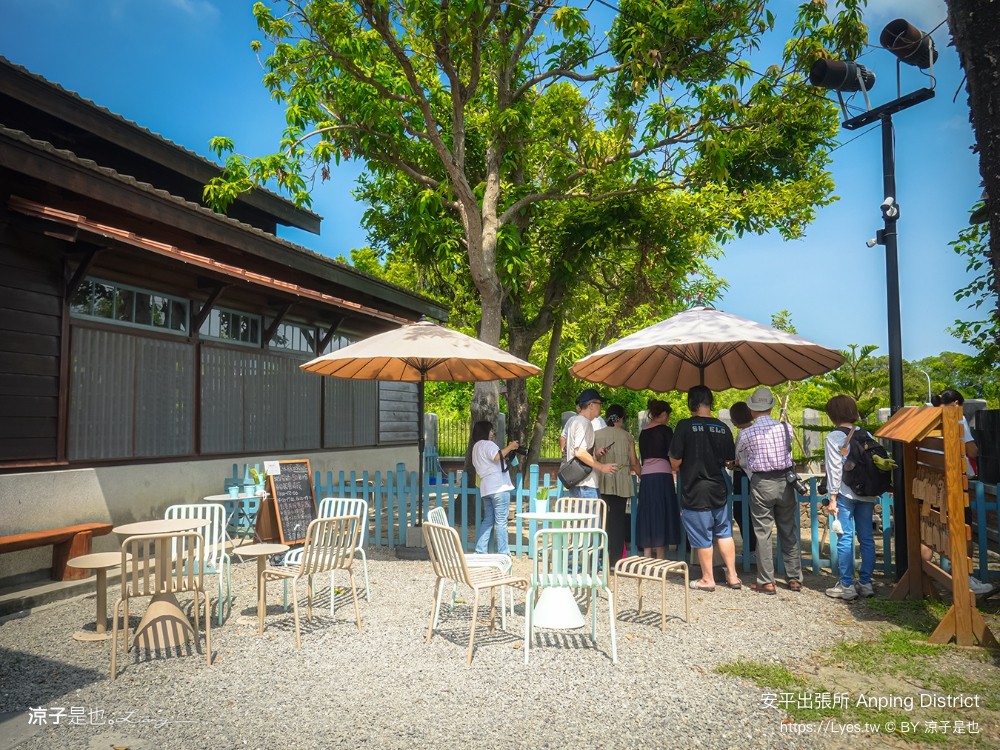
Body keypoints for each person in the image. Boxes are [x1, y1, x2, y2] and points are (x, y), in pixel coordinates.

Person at [669, 385, 741, 591]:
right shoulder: (722, 427)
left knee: (702, 536)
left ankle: (708, 579)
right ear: (710, 403)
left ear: (691, 403)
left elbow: (675, 461)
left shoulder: (684, 426)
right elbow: (730, 459)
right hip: (719, 488)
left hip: (695, 489)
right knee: (725, 532)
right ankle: (733, 576)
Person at [923, 388, 992, 595]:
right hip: (952, 482)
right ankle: (965, 577)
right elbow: (971, 451)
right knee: (963, 531)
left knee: (928, 530)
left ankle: (923, 577)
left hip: (929, 481)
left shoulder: (925, 417)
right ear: (955, 404)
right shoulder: (957, 418)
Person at [736, 387, 803, 595]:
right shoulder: (786, 428)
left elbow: (740, 458)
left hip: (761, 483)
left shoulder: (746, 433)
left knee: (762, 532)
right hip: (785, 480)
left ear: (752, 409)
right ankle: (794, 578)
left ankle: (766, 581)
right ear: (771, 407)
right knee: (788, 530)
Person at [823, 395, 876, 601]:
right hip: (867, 493)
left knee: (844, 537)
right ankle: (866, 583)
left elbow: (835, 469)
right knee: (867, 538)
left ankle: (846, 585)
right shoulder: (867, 434)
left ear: (833, 414)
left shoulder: (834, 437)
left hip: (845, 492)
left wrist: (833, 497)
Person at [595, 404, 642, 568]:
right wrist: (641, 474)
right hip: (621, 480)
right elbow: (633, 462)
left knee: (601, 520)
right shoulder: (627, 436)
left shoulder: (596, 435)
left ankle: (600, 557)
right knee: (617, 521)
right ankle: (615, 560)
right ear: (621, 419)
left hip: (601, 479)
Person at [635, 399, 678, 559]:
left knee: (647, 511)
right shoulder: (666, 431)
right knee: (662, 511)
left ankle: (646, 553)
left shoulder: (643, 432)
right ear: (664, 414)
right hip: (662, 475)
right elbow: (673, 454)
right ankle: (660, 556)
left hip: (646, 475)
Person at [470, 420, 519, 555]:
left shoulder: (475, 447)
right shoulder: (488, 444)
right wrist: (511, 447)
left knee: (488, 520)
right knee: (501, 521)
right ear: (485, 431)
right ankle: (504, 552)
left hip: (486, 488)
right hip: (499, 487)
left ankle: (480, 551)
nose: (492, 433)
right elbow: (496, 456)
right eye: (491, 430)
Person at [563, 388, 617, 499]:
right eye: (599, 403)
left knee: (579, 517)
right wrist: (602, 467)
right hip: (586, 485)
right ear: (591, 405)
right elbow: (579, 452)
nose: (601, 407)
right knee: (592, 517)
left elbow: (578, 450)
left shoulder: (574, 421)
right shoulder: (584, 422)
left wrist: (595, 454)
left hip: (577, 483)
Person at [728, 400, 756, 555]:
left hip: (743, 475)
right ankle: (753, 546)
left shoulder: (744, 434)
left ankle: (751, 547)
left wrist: (733, 463)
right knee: (752, 513)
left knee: (740, 512)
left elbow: (739, 458)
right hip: (756, 477)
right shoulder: (755, 430)